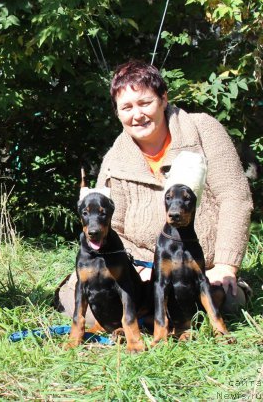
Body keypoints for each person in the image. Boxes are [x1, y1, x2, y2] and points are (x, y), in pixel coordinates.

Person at [56, 60, 253, 322]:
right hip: (139, 270)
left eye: (145, 103)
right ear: (117, 112)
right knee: (91, 310)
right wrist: (136, 267)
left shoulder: (203, 129)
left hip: (198, 269)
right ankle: (149, 315)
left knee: (228, 302)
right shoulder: (115, 158)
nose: (137, 115)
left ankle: (158, 317)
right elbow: (111, 227)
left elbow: (235, 198)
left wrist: (226, 266)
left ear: (163, 99)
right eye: (126, 107)